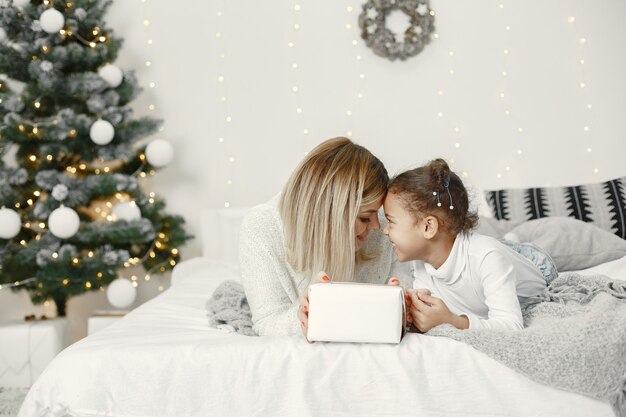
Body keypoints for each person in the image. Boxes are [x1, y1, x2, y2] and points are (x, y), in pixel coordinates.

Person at [239, 137, 410, 337]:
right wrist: (306, 314)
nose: (377, 227)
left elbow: (405, 293)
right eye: (364, 218)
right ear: (331, 215)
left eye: (377, 215)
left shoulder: (384, 222)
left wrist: (404, 307)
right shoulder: (261, 227)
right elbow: (267, 322)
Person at [383, 158, 550, 332]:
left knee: (501, 249)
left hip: (536, 264)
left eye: (390, 221)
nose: (385, 231)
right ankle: (509, 240)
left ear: (428, 227)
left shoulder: (488, 258)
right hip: (488, 253)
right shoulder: (421, 260)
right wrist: (407, 309)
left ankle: (513, 240)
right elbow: (430, 316)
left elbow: (511, 325)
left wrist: (452, 321)